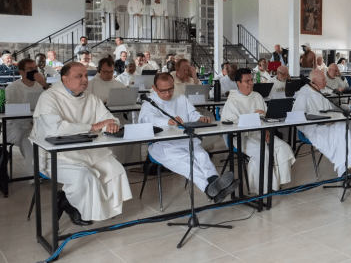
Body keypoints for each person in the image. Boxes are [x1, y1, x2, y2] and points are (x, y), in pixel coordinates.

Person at [31, 62, 132, 225]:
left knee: (115, 168)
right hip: (56, 154)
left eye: (86, 75)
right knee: (84, 176)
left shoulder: (90, 98)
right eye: (79, 76)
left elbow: (108, 117)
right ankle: (71, 203)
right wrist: (92, 126)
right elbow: (54, 128)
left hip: (87, 149)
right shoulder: (49, 97)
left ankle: (102, 209)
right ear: (65, 79)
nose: (85, 79)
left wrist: (112, 123)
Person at [139, 73, 238, 202]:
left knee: (202, 156)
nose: (168, 93)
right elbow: (147, 119)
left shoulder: (180, 98)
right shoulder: (150, 102)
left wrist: (199, 118)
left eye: (171, 89)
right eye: (163, 91)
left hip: (184, 140)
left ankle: (215, 181)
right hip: (162, 146)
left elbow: (192, 113)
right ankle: (210, 189)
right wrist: (168, 120)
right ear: (154, 88)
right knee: (187, 162)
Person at [221, 68, 295, 193]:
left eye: (251, 80)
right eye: (246, 81)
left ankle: (275, 183)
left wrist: (267, 130)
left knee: (283, 147)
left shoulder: (257, 96)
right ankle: (261, 188)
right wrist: (252, 116)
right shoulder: (232, 100)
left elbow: (266, 117)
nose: (251, 83)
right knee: (263, 152)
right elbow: (229, 124)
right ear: (238, 83)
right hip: (241, 137)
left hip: (259, 132)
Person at [292, 69, 351, 175]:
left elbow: (330, 109)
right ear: (313, 81)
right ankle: (345, 168)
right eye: (323, 80)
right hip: (313, 128)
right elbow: (297, 117)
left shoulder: (320, 92)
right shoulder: (304, 94)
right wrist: (320, 121)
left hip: (327, 124)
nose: (326, 82)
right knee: (339, 133)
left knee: (342, 126)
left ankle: (347, 166)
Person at [6, 59, 47, 176]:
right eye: (30, 69)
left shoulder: (40, 86)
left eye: (35, 68)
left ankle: (47, 170)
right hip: (16, 126)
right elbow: (5, 110)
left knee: (50, 139)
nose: (34, 71)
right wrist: (28, 109)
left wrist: (44, 84)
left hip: (36, 124)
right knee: (28, 141)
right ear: (21, 72)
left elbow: (53, 101)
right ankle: (33, 175)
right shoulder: (12, 88)